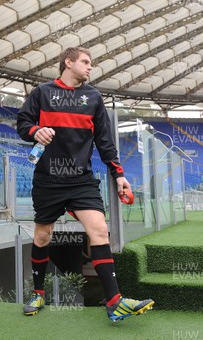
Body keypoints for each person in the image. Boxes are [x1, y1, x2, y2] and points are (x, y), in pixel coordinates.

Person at [17, 47, 154, 321]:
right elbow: (22, 124)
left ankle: (115, 301)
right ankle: (39, 293)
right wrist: (36, 131)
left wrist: (119, 175)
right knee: (43, 236)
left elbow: (104, 141)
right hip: (48, 179)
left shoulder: (93, 97)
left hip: (81, 180)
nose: (90, 67)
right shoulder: (42, 93)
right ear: (68, 63)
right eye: (85, 62)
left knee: (100, 231)